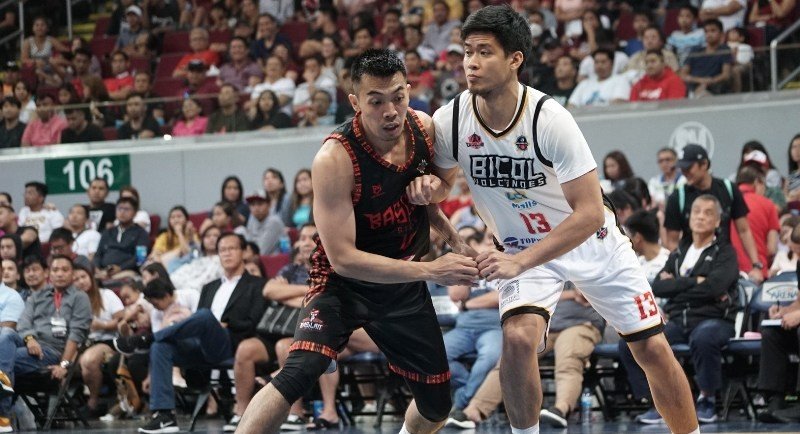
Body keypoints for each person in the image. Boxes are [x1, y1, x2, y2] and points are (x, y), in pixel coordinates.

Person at [421, 6, 699, 434]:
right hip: (518, 247)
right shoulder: (451, 119)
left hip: (591, 241)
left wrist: (520, 261)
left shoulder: (549, 119)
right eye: (467, 51)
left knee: (653, 351)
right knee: (516, 340)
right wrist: (428, 189)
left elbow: (588, 213)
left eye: (484, 52)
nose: (471, 62)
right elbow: (441, 187)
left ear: (515, 59)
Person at [236, 49, 478, 434]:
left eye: (398, 97)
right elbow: (345, 259)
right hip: (343, 284)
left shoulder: (423, 128)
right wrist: (431, 269)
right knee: (298, 371)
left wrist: (449, 231)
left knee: (436, 407)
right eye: (376, 101)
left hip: (401, 286)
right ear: (355, 102)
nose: (390, 111)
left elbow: (434, 195)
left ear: (409, 91)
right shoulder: (334, 159)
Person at [114, 233, 267, 433]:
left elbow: (252, 322)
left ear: (243, 252)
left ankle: (147, 338)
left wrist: (223, 324)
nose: (227, 253)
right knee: (162, 346)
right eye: (222, 250)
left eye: (232, 249)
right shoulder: (210, 287)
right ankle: (164, 416)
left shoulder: (256, 284)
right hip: (200, 343)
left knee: (203, 316)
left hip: (231, 344)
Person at [620, 194, 740, 424]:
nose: (701, 217)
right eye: (697, 211)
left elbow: (715, 287)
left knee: (704, 337)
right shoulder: (679, 252)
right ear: (689, 216)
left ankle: (707, 398)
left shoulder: (725, 252)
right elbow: (659, 286)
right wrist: (696, 281)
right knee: (636, 341)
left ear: (718, 221)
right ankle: (655, 401)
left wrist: (677, 285)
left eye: (707, 213)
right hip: (678, 319)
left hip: (714, 318)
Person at [0, 255, 92, 432]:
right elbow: (24, 323)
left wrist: (64, 365)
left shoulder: (80, 298)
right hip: (28, 345)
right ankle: (2, 417)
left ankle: (2, 414)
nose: (60, 274)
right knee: (7, 334)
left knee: (4, 353)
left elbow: (76, 335)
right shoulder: (39, 296)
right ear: (49, 273)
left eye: (65, 270)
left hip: (52, 351)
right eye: (56, 270)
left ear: (72, 274)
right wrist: (30, 339)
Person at [664, 144, 764, 284]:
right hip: (691, 266)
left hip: (723, 262)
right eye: (682, 168)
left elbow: (744, 230)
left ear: (704, 164)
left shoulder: (729, 189)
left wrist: (756, 265)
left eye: (689, 167)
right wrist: (674, 269)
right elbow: (672, 241)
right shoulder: (677, 197)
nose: (684, 172)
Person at [442, 230, 501, 425]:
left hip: (494, 326)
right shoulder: (475, 262)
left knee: (491, 358)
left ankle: (461, 402)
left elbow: (501, 298)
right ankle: (469, 390)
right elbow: (457, 296)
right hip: (464, 326)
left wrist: (471, 303)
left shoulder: (511, 262)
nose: (492, 243)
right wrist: (470, 264)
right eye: (488, 239)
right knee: (435, 356)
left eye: (497, 239)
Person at [74, 262, 124, 416]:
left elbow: (122, 320)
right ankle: (63, 404)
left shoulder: (106, 295)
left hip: (106, 341)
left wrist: (102, 325)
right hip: (80, 342)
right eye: (76, 279)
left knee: (88, 360)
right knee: (62, 362)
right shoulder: (73, 300)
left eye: (83, 277)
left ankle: (93, 402)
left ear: (91, 277)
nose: (81, 281)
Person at [729, 165, 780, 277]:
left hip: (728, 273)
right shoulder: (768, 205)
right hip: (758, 272)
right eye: (764, 186)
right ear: (757, 182)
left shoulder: (726, 203)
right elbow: (771, 249)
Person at [93, 197, 150, 279]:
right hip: (104, 271)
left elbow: (140, 259)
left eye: (126, 209)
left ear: (135, 213)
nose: (122, 212)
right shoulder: (107, 232)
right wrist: (97, 268)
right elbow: (98, 254)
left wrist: (121, 268)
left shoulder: (141, 233)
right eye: (119, 209)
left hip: (127, 272)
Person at [680, 19, 732, 97]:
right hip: (691, 87)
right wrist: (700, 81)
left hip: (713, 89)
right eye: (706, 31)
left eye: (713, 31)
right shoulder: (695, 50)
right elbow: (683, 74)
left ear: (721, 34)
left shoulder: (724, 50)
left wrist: (710, 81)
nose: (709, 34)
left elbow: (726, 74)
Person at [626, 210, 671, 283]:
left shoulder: (667, 262)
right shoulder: (635, 262)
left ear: (637, 238)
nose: (627, 240)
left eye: (629, 236)